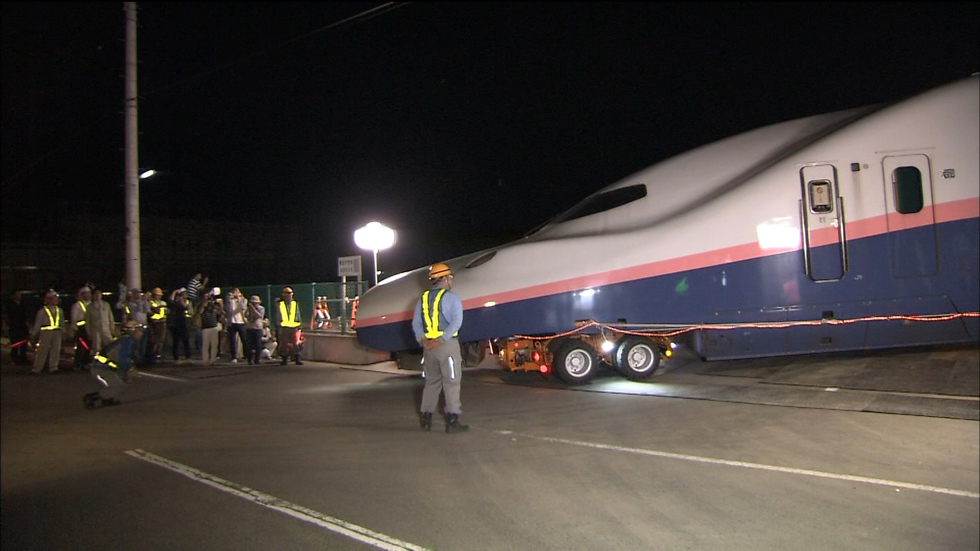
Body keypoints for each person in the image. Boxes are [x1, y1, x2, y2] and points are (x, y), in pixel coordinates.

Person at [412, 263, 468, 433]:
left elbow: (416, 324)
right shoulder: (452, 298)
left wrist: (424, 341)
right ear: (444, 279)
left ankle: (426, 420)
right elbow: (456, 322)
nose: (451, 280)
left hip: (428, 348)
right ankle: (452, 421)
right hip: (447, 346)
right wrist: (441, 339)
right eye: (449, 277)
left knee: (431, 382)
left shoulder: (422, 299)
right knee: (451, 382)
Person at [83, 321, 142, 408]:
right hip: (101, 369)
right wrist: (130, 370)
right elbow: (123, 358)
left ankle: (108, 397)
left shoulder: (124, 339)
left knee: (123, 379)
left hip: (105, 367)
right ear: (132, 331)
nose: (141, 333)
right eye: (139, 330)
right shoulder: (127, 341)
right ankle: (93, 398)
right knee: (119, 384)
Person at [30, 289, 67, 374]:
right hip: (46, 332)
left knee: (56, 350)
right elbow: (38, 323)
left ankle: (53, 368)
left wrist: (64, 332)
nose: (56, 300)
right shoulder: (42, 311)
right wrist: (34, 334)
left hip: (57, 332)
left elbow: (62, 322)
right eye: (54, 298)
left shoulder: (59, 310)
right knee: (42, 350)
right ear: (48, 299)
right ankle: (37, 368)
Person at [121, 288, 151, 367]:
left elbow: (147, 311)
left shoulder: (144, 303)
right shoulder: (130, 304)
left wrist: (145, 301)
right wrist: (142, 300)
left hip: (143, 326)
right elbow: (136, 310)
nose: (139, 295)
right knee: (136, 345)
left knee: (143, 345)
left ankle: (141, 361)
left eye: (139, 293)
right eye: (136, 293)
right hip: (135, 328)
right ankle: (135, 361)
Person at [274, 287, 302, 365]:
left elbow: (297, 314)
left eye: (290, 293)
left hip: (293, 327)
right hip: (284, 327)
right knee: (284, 344)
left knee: (295, 343)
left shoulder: (294, 303)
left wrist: (299, 325)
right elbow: (278, 315)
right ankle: (285, 358)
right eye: (287, 293)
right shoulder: (280, 304)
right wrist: (278, 325)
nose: (289, 295)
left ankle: (297, 358)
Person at [86, 286, 118, 354]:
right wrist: (89, 333)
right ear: (93, 296)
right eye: (96, 294)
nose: (98, 296)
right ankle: (96, 362)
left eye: (99, 294)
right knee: (96, 348)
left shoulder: (106, 305)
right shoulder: (90, 307)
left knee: (110, 346)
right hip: (95, 330)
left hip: (106, 329)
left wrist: (112, 329)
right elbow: (88, 321)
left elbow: (110, 318)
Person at [4, 290, 30, 365]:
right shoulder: (9, 305)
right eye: (17, 294)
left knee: (24, 343)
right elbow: (7, 316)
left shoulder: (23, 304)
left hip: (22, 326)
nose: (19, 295)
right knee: (15, 343)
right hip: (14, 326)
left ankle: (23, 358)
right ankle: (14, 358)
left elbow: (25, 315)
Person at [70, 286, 93, 370]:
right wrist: (75, 329)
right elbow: (74, 318)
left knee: (89, 346)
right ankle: (78, 364)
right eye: (86, 293)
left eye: (89, 293)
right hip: (81, 329)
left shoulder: (91, 304)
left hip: (90, 328)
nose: (88, 295)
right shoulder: (77, 305)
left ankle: (86, 362)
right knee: (81, 347)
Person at [168, 288, 193, 364]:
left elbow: (186, 308)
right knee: (176, 341)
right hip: (175, 324)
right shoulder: (175, 303)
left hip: (183, 323)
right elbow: (170, 301)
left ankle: (188, 357)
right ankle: (176, 358)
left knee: (186, 340)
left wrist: (182, 300)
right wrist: (174, 291)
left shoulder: (186, 303)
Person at [199, 290, 222, 365]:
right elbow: (200, 312)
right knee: (205, 345)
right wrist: (205, 303)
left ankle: (213, 360)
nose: (207, 298)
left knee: (214, 345)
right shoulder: (201, 304)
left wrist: (219, 305)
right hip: (205, 327)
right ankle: (205, 361)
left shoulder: (212, 305)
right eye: (206, 296)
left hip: (214, 326)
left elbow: (219, 312)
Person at [225, 288, 247, 363]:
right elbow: (230, 309)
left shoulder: (243, 300)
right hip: (232, 322)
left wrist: (239, 299)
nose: (235, 293)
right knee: (232, 340)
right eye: (234, 292)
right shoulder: (230, 300)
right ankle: (234, 356)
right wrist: (231, 299)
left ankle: (246, 355)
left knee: (244, 339)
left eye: (237, 292)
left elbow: (242, 308)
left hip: (240, 322)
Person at [147, 287, 168, 364]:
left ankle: (159, 354)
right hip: (154, 323)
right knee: (154, 340)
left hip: (162, 322)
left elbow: (166, 312)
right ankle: (154, 355)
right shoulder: (151, 303)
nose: (159, 296)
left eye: (160, 295)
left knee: (161, 340)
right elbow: (149, 312)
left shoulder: (163, 303)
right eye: (157, 295)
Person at [244, 295, 265, 365]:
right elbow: (245, 315)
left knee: (258, 344)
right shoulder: (248, 309)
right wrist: (248, 309)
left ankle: (257, 359)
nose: (254, 304)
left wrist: (253, 309)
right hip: (249, 327)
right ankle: (249, 359)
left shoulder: (261, 308)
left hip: (258, 327)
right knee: (249, 344)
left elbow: (259, 316)